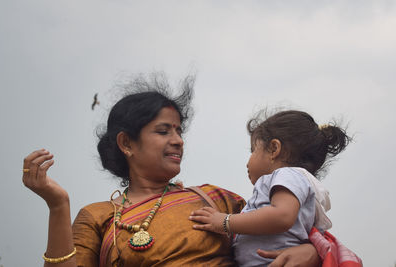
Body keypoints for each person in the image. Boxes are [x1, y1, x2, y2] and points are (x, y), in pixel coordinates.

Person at [22, 74, 321, 266]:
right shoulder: (99, 217)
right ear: (127, 143)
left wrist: (311, 253)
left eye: (179, 131)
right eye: (163, 131)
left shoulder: (216, 200)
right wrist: (58, 206)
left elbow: (288, 229)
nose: (178, 141)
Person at [190, 109, 352, 266]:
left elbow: (282, 216)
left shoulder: (287, 175)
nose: (248, 161)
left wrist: (225, 221)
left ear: (274, 149)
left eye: (253, 150)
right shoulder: (297, 182)